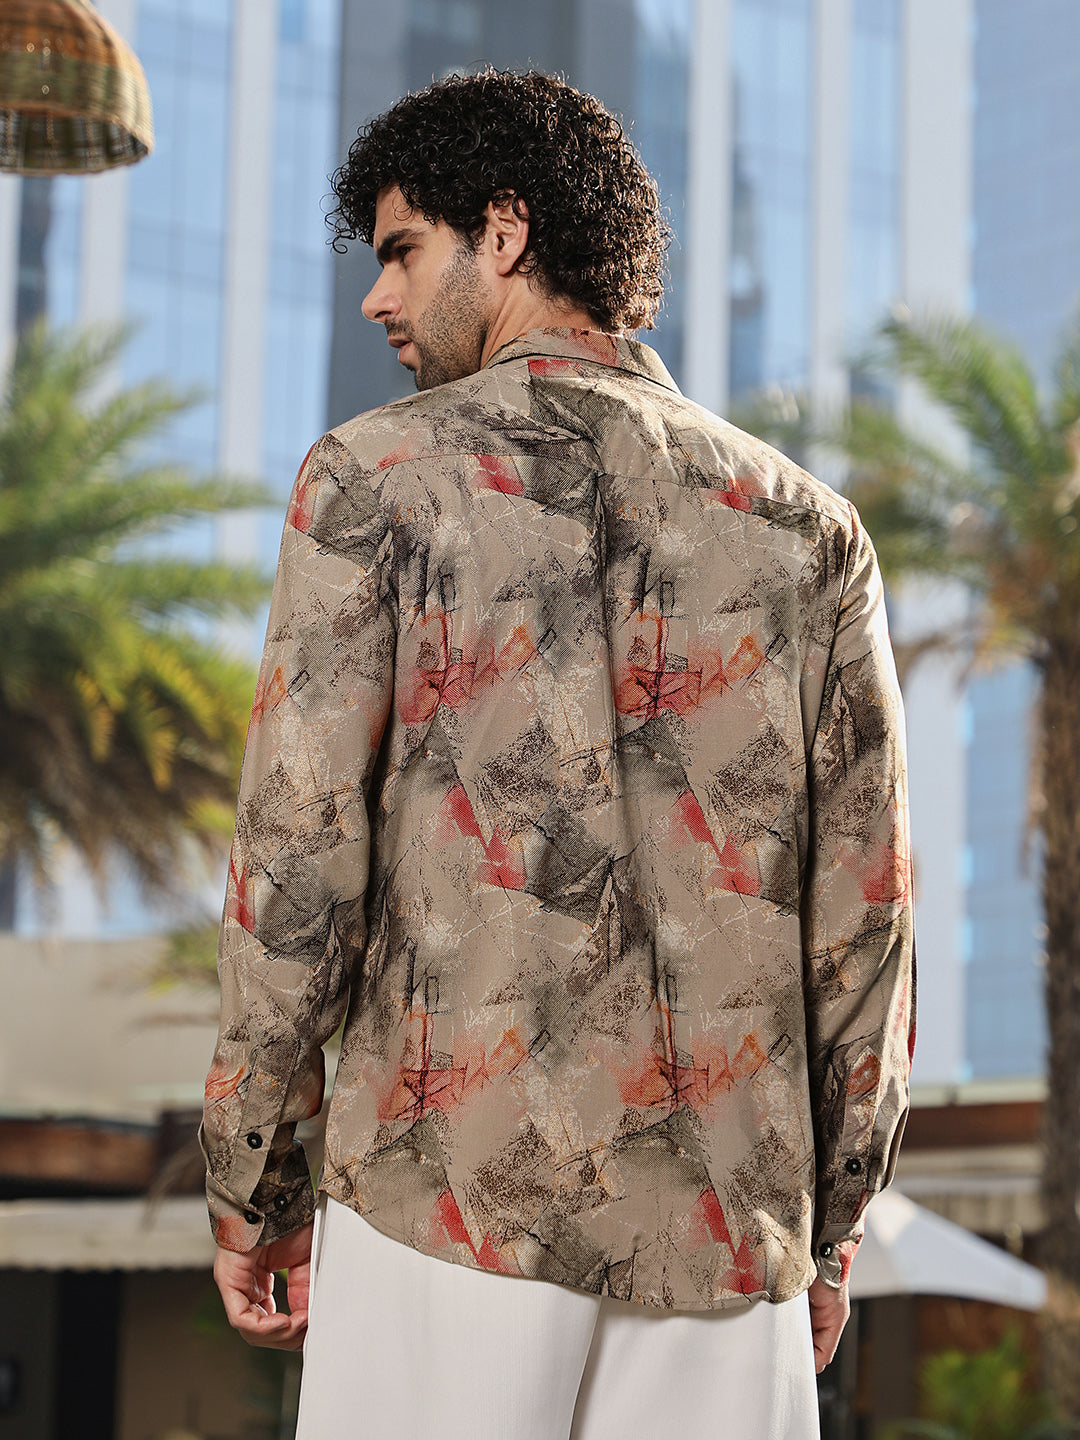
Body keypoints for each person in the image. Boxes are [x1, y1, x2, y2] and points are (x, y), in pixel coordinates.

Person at [202, 68, 914, 1440]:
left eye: (404, 250)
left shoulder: (372, 481)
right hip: (728, 1231)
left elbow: (298, 861)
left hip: (448, 1202)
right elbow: (865, 915)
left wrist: (256, 1177)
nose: (378, 298)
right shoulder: (808, 528)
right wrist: (830, 1230)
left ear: (507, 229)